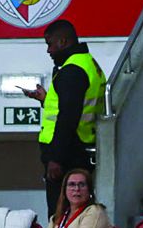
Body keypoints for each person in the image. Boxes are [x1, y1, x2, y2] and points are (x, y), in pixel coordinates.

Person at [21, 19, 106, 217]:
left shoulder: (72, 71)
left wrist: (56, 158)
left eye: (50, 44)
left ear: (63, 41)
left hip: (68, 153)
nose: (48, 51)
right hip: (80, 147)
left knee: (61, 214)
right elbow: (76, 105)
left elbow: (68, 116)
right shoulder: (88, 63)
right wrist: (44, 100)